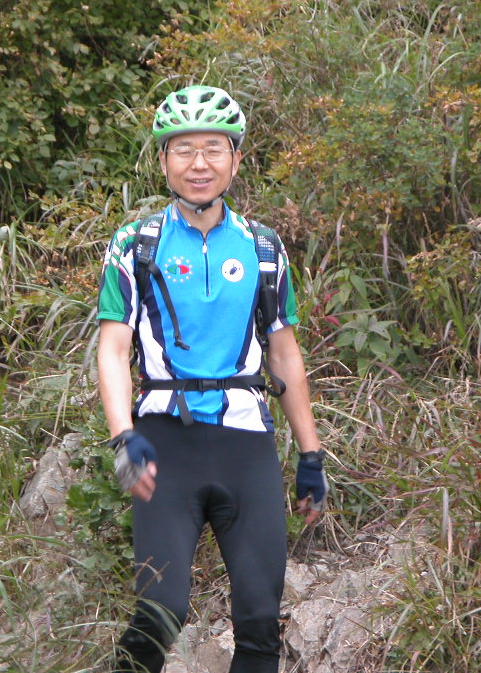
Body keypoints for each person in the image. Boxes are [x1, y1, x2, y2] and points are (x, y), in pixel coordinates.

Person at [96, 84, 328, 673]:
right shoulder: (136, 244)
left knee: (260, 620)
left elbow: (284, 353)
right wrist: (123, 436)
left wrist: (310, 455)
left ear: (236, 159)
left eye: (213, 149)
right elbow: (114, 347)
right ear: (163, 160)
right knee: (160, 613)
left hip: (246, 446)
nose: (199, 163)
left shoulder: (263, 247)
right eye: (184, 150)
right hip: (163, 445)